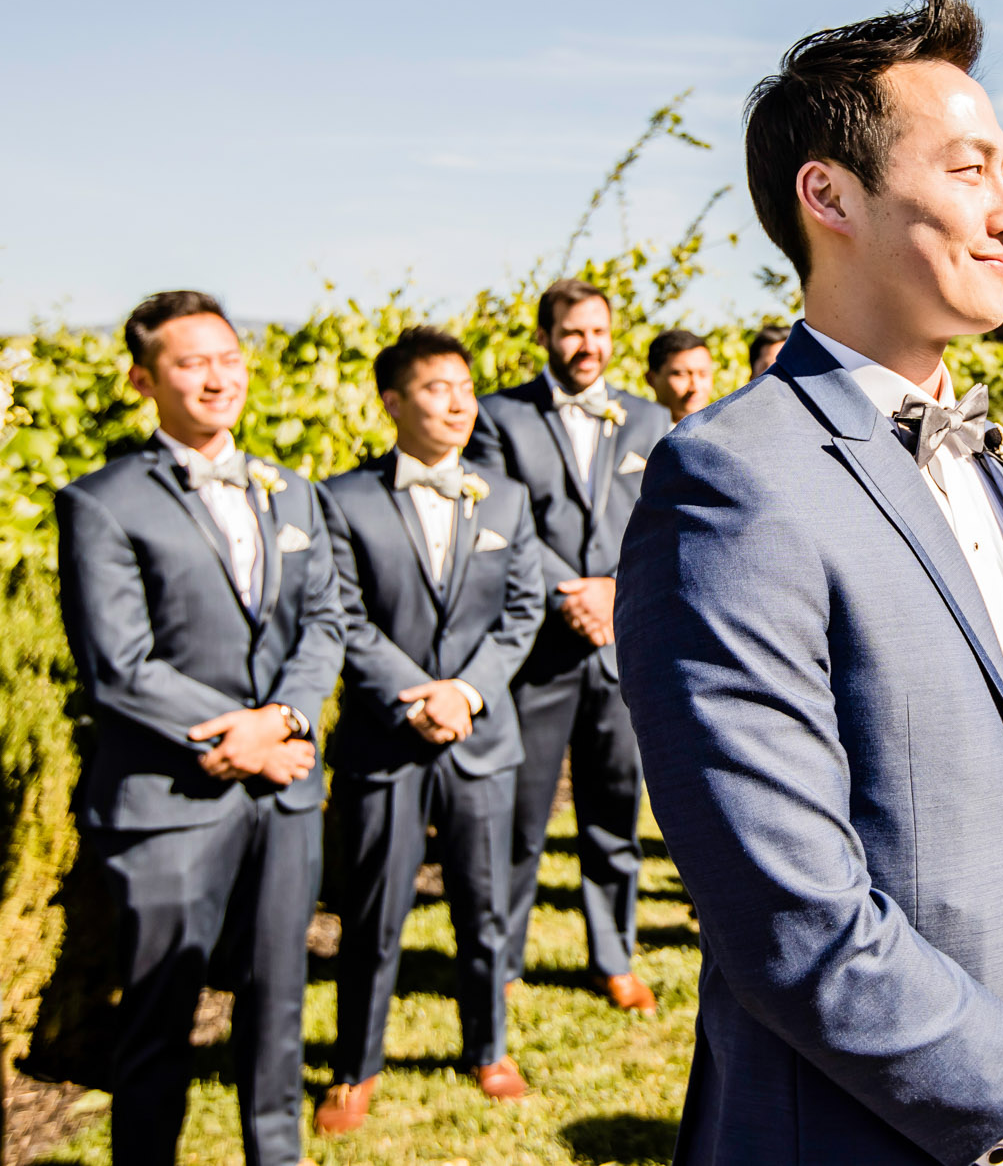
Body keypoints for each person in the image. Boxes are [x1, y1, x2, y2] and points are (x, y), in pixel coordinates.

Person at [617, 0, 1003, 1166]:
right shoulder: (731, 482)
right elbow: (786, 903)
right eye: (970, 170)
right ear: (828, 194)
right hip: (855, 1129)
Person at [55, 291, 344, 1166]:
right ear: (144, 378)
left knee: (277, 1008)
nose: (219, 377)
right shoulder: (101, 502)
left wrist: (284, 719)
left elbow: (324, 619)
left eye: (229, 356)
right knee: (156, 1022)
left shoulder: (289, 490)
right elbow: (119, 664)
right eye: (192, 362)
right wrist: (243, 736)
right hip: (171, 801)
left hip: (285, 792)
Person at [313, 328, 545, 1133]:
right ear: (391, 401)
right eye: (437, 387)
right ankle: (355, 1064)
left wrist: (468, 693)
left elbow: (522, 612)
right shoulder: (341, 499)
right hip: (388, 737)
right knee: (373, 911)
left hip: (481, 736)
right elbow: (342, 615)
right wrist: (419, 697)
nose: (457, 402)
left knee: (484, 908)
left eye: (464, 386)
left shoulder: (505, 498)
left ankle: (487, 1046)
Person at [463, 277, 673, 1015]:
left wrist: (614, 589)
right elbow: (498, 523)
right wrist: (572, 591)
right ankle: (507, 957)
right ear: (547, 338)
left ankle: (613, 956)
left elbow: (661, 521)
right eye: (572, 332)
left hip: (623, 643)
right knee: (522, 818)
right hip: (540, 650)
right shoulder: (499, 418)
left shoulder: (648, 418)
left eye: (598, 332)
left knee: (615, 811)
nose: (587, 346)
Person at [645, 327, 715, 421]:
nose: (695, 388)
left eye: (703, 374)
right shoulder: (632, 433)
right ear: (651, 379)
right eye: (682, 374)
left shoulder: (726, 433)